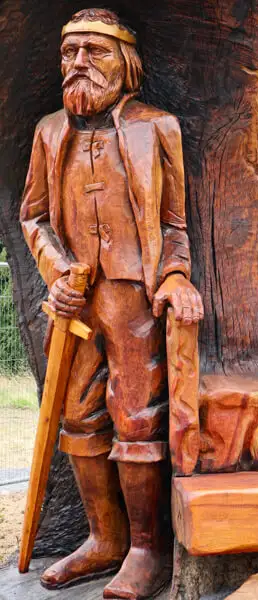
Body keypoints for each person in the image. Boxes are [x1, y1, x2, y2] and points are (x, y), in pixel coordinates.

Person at [20, 8, 203, 599]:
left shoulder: (159, 128)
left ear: (126, 64)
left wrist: (175, 277)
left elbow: (174, 223)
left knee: (137, 415)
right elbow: (34, 217)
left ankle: (147, 550)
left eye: (93, 52)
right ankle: (103, 539)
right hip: (74, 304)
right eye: (69, 53)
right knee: (78, 416)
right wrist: (54, 271)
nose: (77, 64)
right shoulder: (51, 131)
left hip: (133, 298)